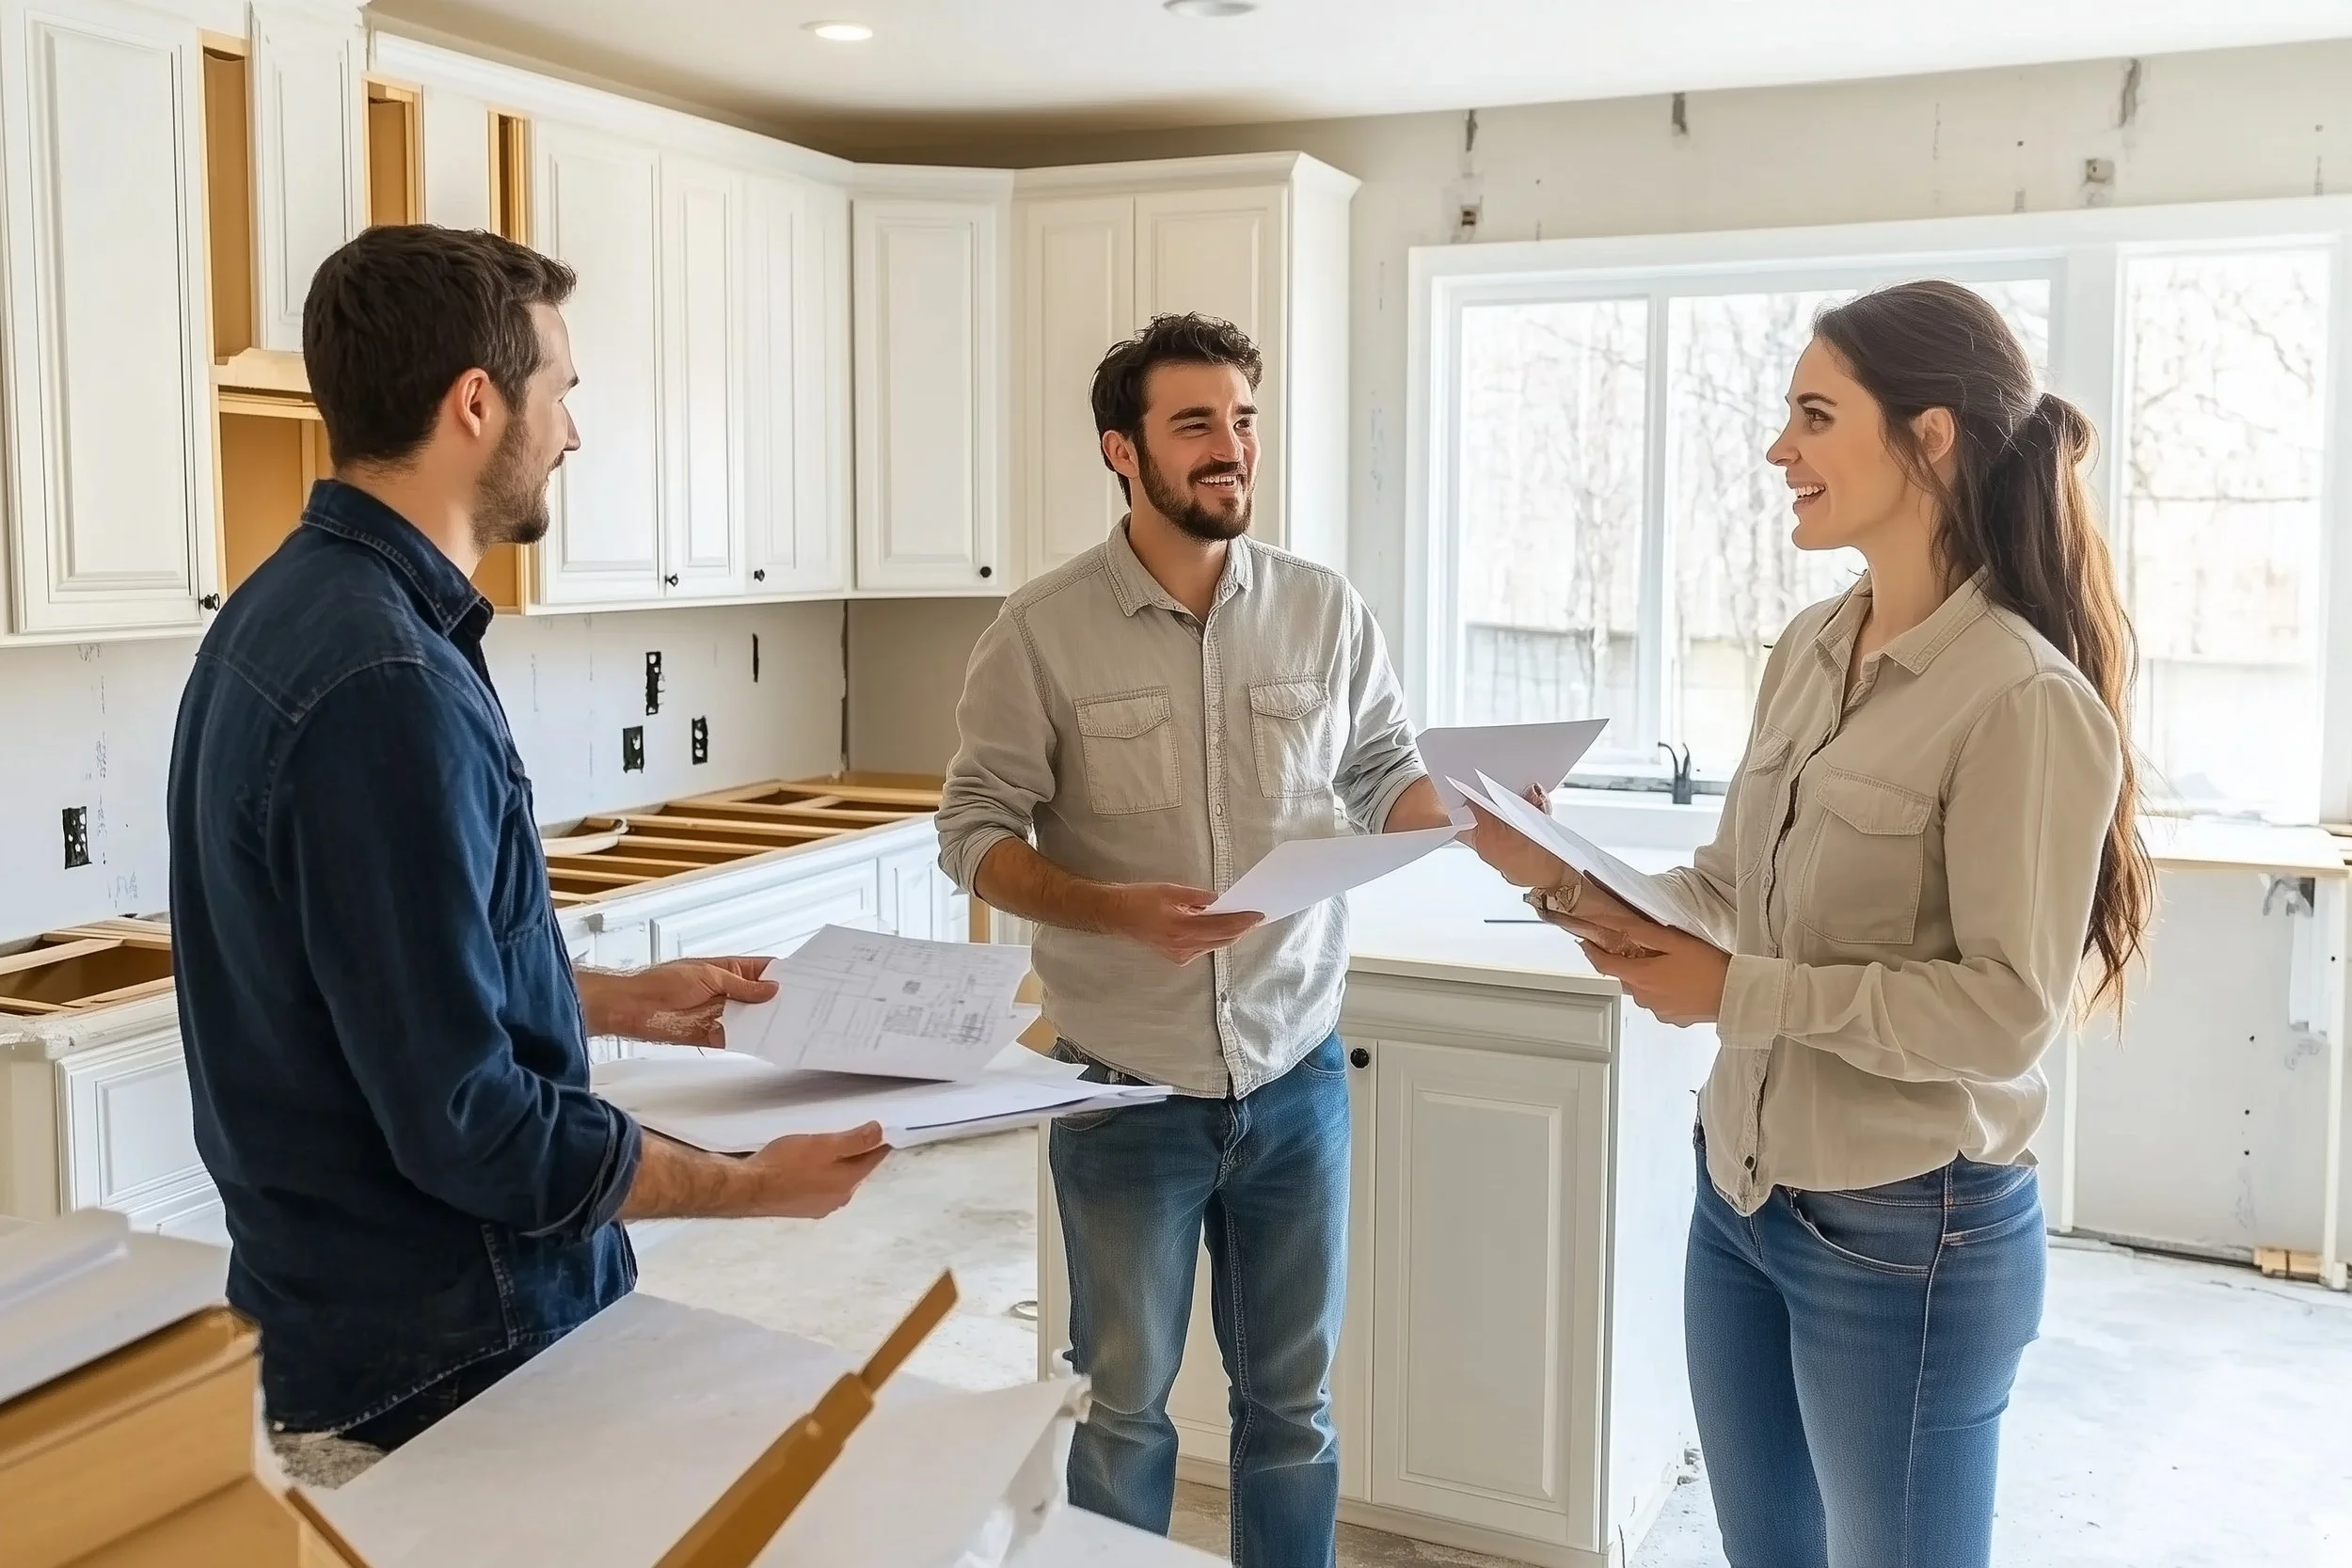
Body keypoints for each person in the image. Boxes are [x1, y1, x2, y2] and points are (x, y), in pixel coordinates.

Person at [1463, 279, 2153, 1568]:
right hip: (1739, 1199)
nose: (1780, 449)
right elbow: (1729, 891)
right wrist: (1553, 866)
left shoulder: (2021, 699)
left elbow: (2006, 1014)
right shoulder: (1807, 647)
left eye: (1815, 415)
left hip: (1911, 1236)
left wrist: (1742, 995)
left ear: (1930, 435)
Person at [168, 225, 889, 1452]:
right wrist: (752, 1182)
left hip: (367, 1341)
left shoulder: (284, 614)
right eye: (561, 392)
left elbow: (382, 992)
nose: (572, 432)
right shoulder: (385, 682)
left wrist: (606, 997)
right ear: (475, 402)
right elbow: (472, 1123)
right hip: (455, 1365)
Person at [936, 313, 1452, 1566]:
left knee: (1293, 1410)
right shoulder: (1040, 630)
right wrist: (1115, 910)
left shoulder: (1323, 610)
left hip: (1297, 1074)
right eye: (1196, 424)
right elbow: (974, 832)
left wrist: (1476, 808)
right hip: (1125, 1086)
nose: (1232, 448)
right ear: (1123, 450)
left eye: (1243, 419)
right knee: (1124, 1409)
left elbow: (1386, 768)